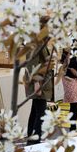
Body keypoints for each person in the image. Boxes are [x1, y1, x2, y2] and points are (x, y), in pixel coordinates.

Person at [25, 17, 53, 145]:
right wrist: (37, 83)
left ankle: (31, 137)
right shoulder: (36, 42)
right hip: (38, 82)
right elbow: (32, 63)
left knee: (35, 111)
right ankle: (34, 141)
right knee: (40, 112)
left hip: (40, 81)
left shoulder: (40, 41)